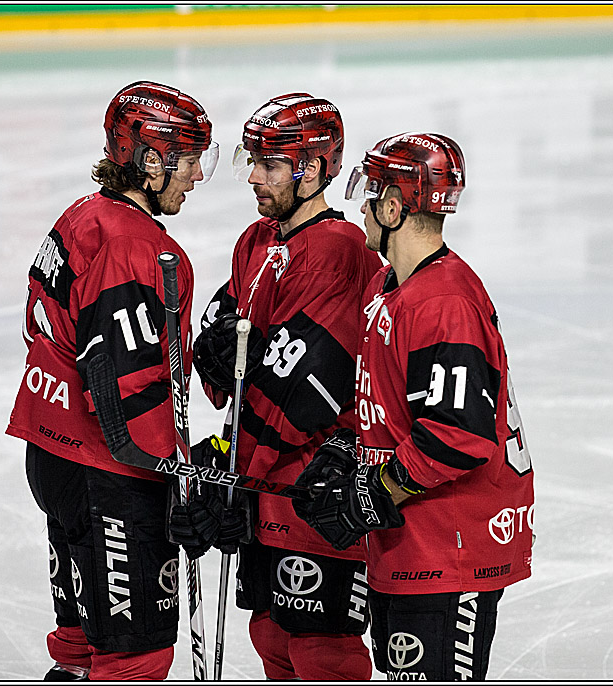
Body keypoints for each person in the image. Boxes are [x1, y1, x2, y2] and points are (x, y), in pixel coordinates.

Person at [292, 132, 535, 680]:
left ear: (396, 207)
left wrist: (376, 492)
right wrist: (343, 453)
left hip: (454, 550)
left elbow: (458, 435)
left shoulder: (444, 302)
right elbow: (383, 404)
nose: (363, 204)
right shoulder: (389, 285)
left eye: (372, 192)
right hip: (411, 543)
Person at [5, 80, 219, 681]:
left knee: (78, 641)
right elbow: (121, 386)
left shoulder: (82, 217)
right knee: (136, 657)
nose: (197, 175)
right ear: (151, 161)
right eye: (190, 159)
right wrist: (180, 474)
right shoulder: (134, 245)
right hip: (111, 475)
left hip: (53, 453)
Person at [172, 93, 383, 680]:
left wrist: (234, 473)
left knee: (321, 643)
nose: (256, 179)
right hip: (265, 480)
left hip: (316, 484)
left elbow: (304, 392)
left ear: (311, 169)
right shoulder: (254, 241)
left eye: (270, 165)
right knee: (268, 630)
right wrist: (212, 358)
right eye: (253, 163)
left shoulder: (341, 253)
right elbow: (221, 354)